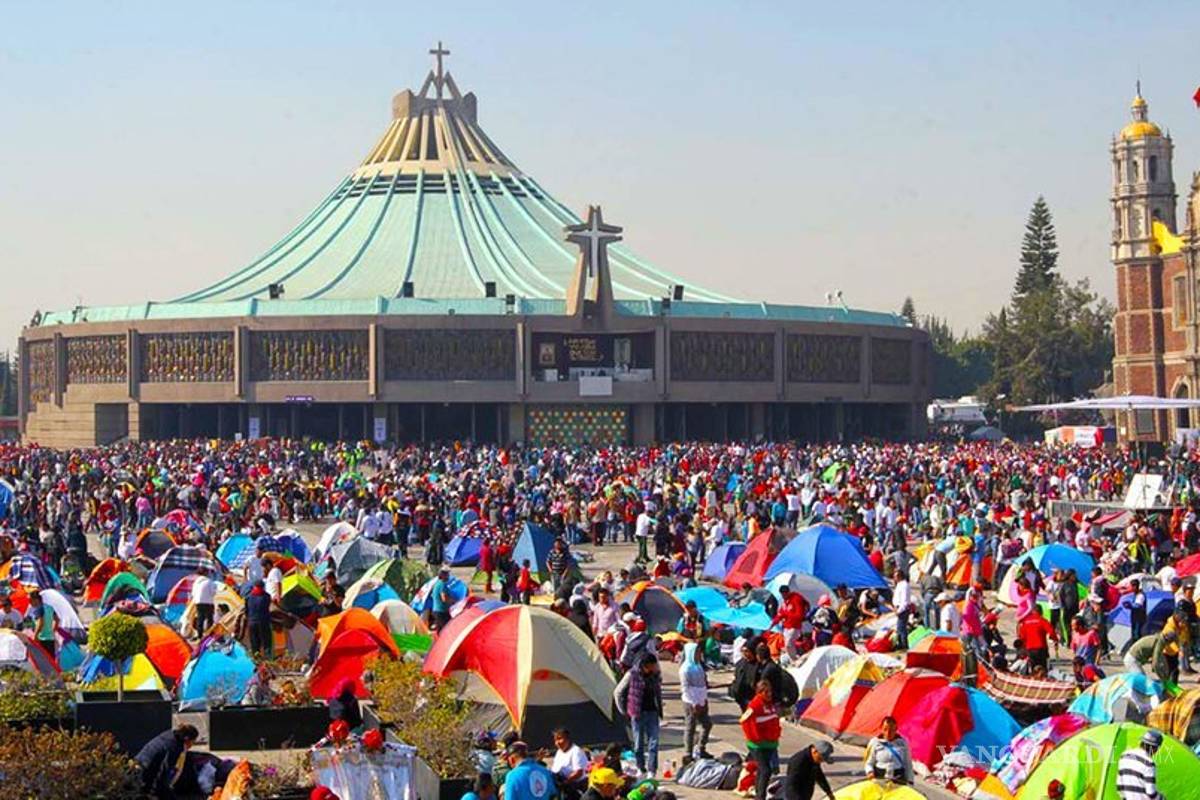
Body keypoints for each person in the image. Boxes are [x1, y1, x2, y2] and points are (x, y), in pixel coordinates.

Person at [740, 679, 781, 800]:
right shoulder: (755, 705)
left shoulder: (770, 705)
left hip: (770, 744)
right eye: (766, 692)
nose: (769, 694)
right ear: (760, 692)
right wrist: (755, 737)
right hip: (758, 745)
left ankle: (758, 793)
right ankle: (760, 797)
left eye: (770, 691)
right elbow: (744, 721)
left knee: (762, 770)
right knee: (766, 770)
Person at [624, 654, 663, 779]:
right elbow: (618, 692)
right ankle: (641, 767)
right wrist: (625, 710)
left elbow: (658, 693)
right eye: (651, 666)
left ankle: (652, 770)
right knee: (638, 743)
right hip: (637, 713)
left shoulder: (655, 675)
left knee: (654, 743)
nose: (653, 668)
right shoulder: (632, 674)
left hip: (652, 712)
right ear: (644, 665)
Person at [135, 724, 199, 799]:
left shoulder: (170, 734)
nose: (191, 745)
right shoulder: (175, 747)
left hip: (138, 762)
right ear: (187, 739)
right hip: (145, 771)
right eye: (192, 742)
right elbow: (164, 771)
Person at [679, 642, 713, 761]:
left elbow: (703, 683)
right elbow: (685, 689)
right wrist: (694, 703)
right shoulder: (685, 669)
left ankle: (701, 748)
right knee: (690, 727)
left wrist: (703, 698)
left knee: (707, 724)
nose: (699, 655)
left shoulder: (698, 667)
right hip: (691, 702)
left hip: (702, 699)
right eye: (696, 652)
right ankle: (688, 753)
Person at [863, 716, 913, 785]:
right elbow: (869, 762)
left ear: (896, 729)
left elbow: (908, 764)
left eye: (892, 730)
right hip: (879, 777)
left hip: (898, 778)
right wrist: (870, 772)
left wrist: (910, 780)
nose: (888, 733)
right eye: (885, 729)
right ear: (881, 729)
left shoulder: (903, 743)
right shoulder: (874, 742)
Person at [1115, 728, 1163, 800]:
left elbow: (1119, 786)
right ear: (1155, 748)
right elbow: (1151, 793)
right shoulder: (1149, 763)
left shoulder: (1124, 756)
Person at [549, 727, 589, 799]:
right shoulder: (559, 752)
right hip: (561, 787)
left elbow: (578, 772)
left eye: (559, 739)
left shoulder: (576, 751)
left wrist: (565, 782)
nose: (557, 742)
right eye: (555, 740)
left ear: (568, 739)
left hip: (575, 789)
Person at [772, 585, 809, 660]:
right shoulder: (785, 602)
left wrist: (787, 615)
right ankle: (795, 658)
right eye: (782, 594)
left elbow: (799, 615)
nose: (783, 596)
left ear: (788, 592)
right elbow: (780, 614)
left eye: (784, 594)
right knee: (787, 645)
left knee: (789, 644)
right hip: (786, 627)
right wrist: (774, 622)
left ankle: (795, 659)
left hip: (795, 626)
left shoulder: (796, 599)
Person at [23, 590, 57, 657]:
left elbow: (40, 623)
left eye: (30, 600)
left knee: (43, 660)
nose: (29, 603)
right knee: (50, 660)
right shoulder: (49, 607)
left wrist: (35, 636)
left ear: (36, 599)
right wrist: (52, 631)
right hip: (50, 638)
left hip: (42, 638)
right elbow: (56, 620)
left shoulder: (38, 609)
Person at [245, 579, 273, 658]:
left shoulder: (248, 597)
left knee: (255, 644)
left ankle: (256, 661)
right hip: (263, 622)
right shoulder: (266, 597)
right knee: (266, 643)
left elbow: (246, 611)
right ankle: (268, 660)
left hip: (252, 622)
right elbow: (268, 607)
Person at [731, 641, 759, 709]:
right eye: (742, 651)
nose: (744, 654)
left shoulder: (758, 664)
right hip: (741, 697)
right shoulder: (741, 663)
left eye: (746, 651)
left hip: (753, 698)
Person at [192, 567, 217, 637]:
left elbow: (193, 593)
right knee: (210, 619)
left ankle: (199, 635)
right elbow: (213, 592)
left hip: (198, 602)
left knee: (200, 618)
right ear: (206, 573)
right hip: (208, 602)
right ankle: (210, 634)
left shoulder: (196, 582)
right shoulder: (209, 581)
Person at [430, 567, 453, 631]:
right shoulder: (443, 584)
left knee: (440, 631)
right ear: (442, 575)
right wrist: (453, 601)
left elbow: (432, 595)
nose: (448, 576)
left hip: (435, 610)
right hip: (441, 611)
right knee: (446, 630)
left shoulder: (437, 583)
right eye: (447, 574)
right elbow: (444, 598)